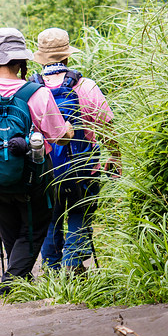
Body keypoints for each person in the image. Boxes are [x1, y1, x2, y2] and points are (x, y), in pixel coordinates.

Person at [0, 28, 72, 298]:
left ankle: (20, 283)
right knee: (34, 229)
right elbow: (57, 136)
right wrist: (67, 130)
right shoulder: (37, 93)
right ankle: (10, 284)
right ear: (21, 62)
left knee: (10, 228)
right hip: (34, 179)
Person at [29, 27, 120, 274]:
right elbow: (107, 127)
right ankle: (74, 265)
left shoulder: (31, 90)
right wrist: (114, 157)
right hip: (83, 167)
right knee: (80, 213)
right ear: (67, 56)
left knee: (50, 219)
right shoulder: (86, 86)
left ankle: (51, 269)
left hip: (45, 169)